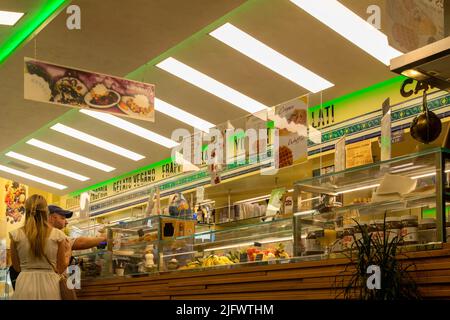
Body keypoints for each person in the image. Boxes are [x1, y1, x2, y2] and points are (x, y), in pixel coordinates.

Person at [9, 194, 70, 299]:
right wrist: (68, 253)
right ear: (46, 212)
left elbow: (17, 267)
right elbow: (60, 268)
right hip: (50, 285)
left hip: (24, 284)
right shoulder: (58, 235)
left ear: (26, 211)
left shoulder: (16, 235)